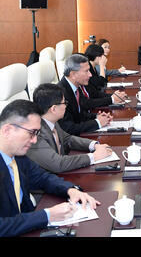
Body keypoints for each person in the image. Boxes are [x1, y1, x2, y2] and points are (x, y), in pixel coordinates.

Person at [0, 100, 100, 237]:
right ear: (7, 130)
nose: (34, 140)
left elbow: (42, 177)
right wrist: (47, 215)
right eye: (32, 133)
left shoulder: (17, 156)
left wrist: (70, 190)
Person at [26, 84, 113, 173]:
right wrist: (93, 156)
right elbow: (58, 164)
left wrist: (93, 145)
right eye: (64, 103)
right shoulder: (36, 134)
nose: (66, 106)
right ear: (54, 109)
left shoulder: (51, 121)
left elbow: (67, 139)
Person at [58, 54, 113, 135]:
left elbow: (79, 115)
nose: (90, 75)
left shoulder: (76, 86)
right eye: (86, 71)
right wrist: (97, 123)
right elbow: (68, 128)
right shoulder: (60, 94)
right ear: (73, 74)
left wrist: (97, 116)